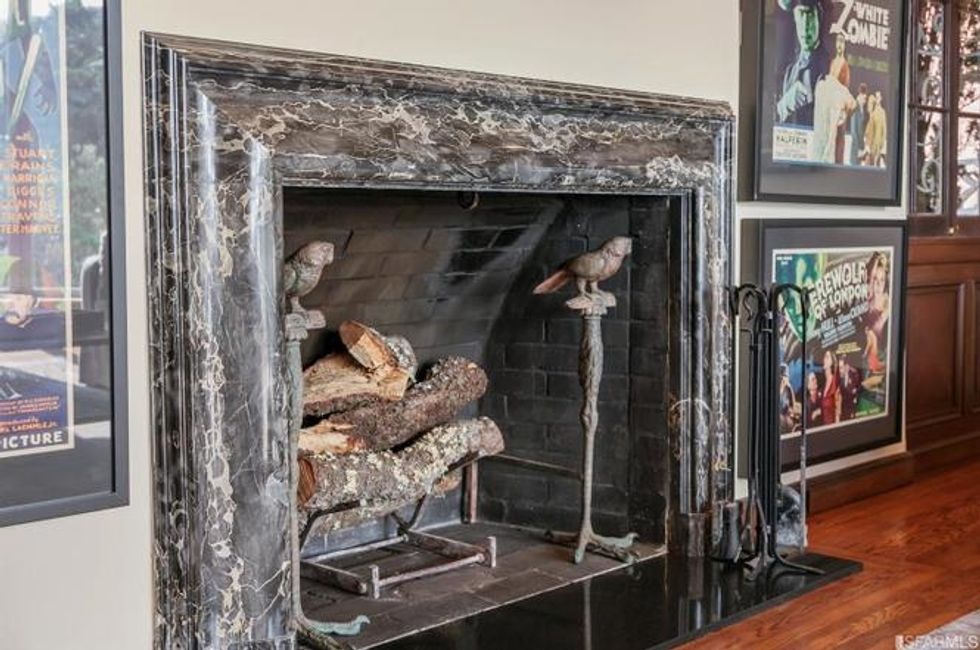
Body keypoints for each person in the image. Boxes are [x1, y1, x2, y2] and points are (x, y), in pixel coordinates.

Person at [775, 0, 829, 126]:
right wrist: (783, 107)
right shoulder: (790, 72)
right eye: (800, 15)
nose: (805, 26)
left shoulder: (830, 67)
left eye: (809, 15)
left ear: (819, 18)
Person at [864, 252, 890, 373]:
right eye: (876, 279)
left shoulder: (887, 302)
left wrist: (869, 333)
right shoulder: (868, 295)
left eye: (882, 280)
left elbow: (877, 327)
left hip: (878, 349)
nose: (879, 284)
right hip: (863, 345)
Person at [864, 91, 888, 166]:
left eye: (878, 97)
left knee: (875, 163)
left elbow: (884, 129)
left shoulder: (882, 112)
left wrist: (882, 144)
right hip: (870, 143)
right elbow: (869, 128)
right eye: (876, 97)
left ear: (880, 98)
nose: (876, 99)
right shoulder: (872, 112)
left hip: (877, 143)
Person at [838, 355, 862, 421]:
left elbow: (858, 388)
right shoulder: (840, 377)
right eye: (839, 368)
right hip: (843, 409)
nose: (840, 370)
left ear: (847, 366)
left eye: (841, 368)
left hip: (852, 409)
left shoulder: (855, 375)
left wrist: (855, 391)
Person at [849, 83, 869, 165]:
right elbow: (854, 131)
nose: (864, 101)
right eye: (863, 98)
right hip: (856, 150)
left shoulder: (861, 108)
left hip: (859, 149)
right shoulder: (855, 107)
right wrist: (859, 149)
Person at [821, 350, 840, 425]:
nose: (824, 359)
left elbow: (838, 406)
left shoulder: (835, 381)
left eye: (827, 357)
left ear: (832, 362)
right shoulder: (823, 383)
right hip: (824, 425)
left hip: (833, 426)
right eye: (824, 357)